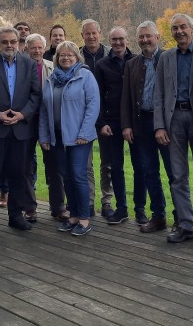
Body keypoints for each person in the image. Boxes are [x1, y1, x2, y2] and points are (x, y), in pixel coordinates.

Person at [154, 13, 193, 247]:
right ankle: (186, 225)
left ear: (192, 28)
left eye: (183, 27)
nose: (179, 31)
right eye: (175, 28)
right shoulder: (166, 58)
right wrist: (159, 125)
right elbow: (158, 93)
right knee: (178, 176)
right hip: (174, 120)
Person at [0, 26, 41, 235]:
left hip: (20, 129)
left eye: (13, 41)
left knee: (19, 174)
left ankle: (16, 215)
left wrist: (23, 115)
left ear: (18, 43)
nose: (9, 45)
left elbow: (36, 95)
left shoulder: (29, 64)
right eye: (5, 42)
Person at [39, 41, 100, 236]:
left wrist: (84, 133)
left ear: (76, 58)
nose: (66, 57)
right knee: (66, 177)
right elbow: (43, 110)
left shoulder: (85, 76)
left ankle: (83, 218)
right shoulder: (51, 79)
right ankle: (73, 216)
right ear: (56, 58)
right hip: (57, 137)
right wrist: (44, 136)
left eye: (70, 55)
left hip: (79, 138)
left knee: (78, 175)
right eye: (62, 55)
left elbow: (93, 107)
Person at [121, 21, 175, 233]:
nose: (145, 40)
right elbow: (126, 97)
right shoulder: (132, 64)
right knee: (149, 172)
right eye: (141, 37)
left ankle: (181, 217)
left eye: (148, 36)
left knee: (174, 172)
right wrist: (126, 125)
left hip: (167, 124)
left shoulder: (169, 59)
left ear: (157, 37)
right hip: (141, 123)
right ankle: (159, 216)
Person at [94, 27, 147, 225]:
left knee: (139, 166)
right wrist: (101, 123)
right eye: (113, 39)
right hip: (112, 121)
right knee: (115, 167)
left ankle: (140, 208)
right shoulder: (102, 65)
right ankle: (122, 208)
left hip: (136, 120)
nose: (117, 43)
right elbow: (97, 96)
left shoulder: (137, 61)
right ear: (109, 41)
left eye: (121, 39)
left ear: (127, 39)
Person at [24, 33, 67, 222]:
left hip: (49, 122)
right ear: (26, 49)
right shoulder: (20, 68)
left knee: (55, 165)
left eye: (40, 47)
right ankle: (29, 207)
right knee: (26, 166)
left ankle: (58, 207)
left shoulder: (53, 68)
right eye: (33, 47)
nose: (37, 51)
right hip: (25, 122)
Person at [79, 18, 113, 218]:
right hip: (83, 117)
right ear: (82, 35)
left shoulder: (110, 54)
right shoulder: (76, 56)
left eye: (94, 33)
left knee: (107, 163)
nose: (91, 36)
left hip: (106, 116)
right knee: (86, 163)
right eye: (87, 33)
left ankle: (107, 202)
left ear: (100, 33)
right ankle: (89, 202)